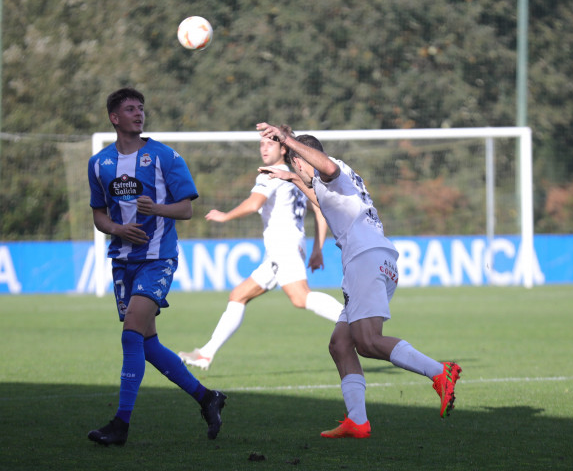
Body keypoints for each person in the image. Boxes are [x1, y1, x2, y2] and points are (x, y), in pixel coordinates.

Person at [256, 122, 461, 439]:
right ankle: (358, 421)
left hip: (365, 259)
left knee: (367, 341)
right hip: (372, 259)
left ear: (302, 157)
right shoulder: (331, 183)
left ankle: (440, 371)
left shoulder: (330, 170)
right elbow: (319, 194)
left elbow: (323, 166)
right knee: (341, 344)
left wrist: (287, 140)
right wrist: (293, 179)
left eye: (295, 161)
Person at [86, 87, 226, 446]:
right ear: (114, 118)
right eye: (130, 109)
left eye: (141, 109)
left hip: (158, 257)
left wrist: (155, 209)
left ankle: (121, 424)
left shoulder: (164, 156)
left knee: (131, 330)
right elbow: (99, 215)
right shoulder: (100, 163)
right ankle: (207, 398)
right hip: (122, 261)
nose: (138, 114)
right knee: (146, 344)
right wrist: (118, 229)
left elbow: (186, 208)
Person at [178, 129, 344, 371]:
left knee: (300, 297)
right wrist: (317, 248)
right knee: (238, 295)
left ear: (284, 148)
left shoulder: (272, 175)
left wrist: (226, 216)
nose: (264, 148)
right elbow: (319, 209)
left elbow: (254, 203)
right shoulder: (296, 175)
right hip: (286, 246)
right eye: (261, 144)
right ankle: (206, 353)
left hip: (284, 246)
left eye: (270, 144)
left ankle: (352, 321)